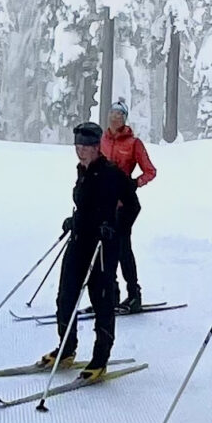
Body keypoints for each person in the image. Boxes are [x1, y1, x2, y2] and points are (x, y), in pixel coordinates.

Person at [46, 122, 136, 376]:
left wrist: (116, 227)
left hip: (102, 248)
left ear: (97, 147)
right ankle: (66, 348)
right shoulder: (82, 170)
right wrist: (74, 220)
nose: (81, 151)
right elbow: (88, 207)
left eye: (86, 146)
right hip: (79, 242)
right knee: (66, 297)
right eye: (77, 145)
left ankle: (100, 358)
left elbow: (132, 206)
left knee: (102, 301)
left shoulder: (112, 173)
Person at [99, 98, 156, 310]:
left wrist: (134, 183)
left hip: (127, 205)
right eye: (112, 113)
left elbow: (150, 171)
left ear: (124, 119)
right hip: (105, 204)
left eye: (120, 114)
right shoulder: (102, 140)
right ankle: (110, 296)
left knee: (122, 248)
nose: (115, 117)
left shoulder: (133, 143)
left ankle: (134, 295)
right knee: (104, 248)